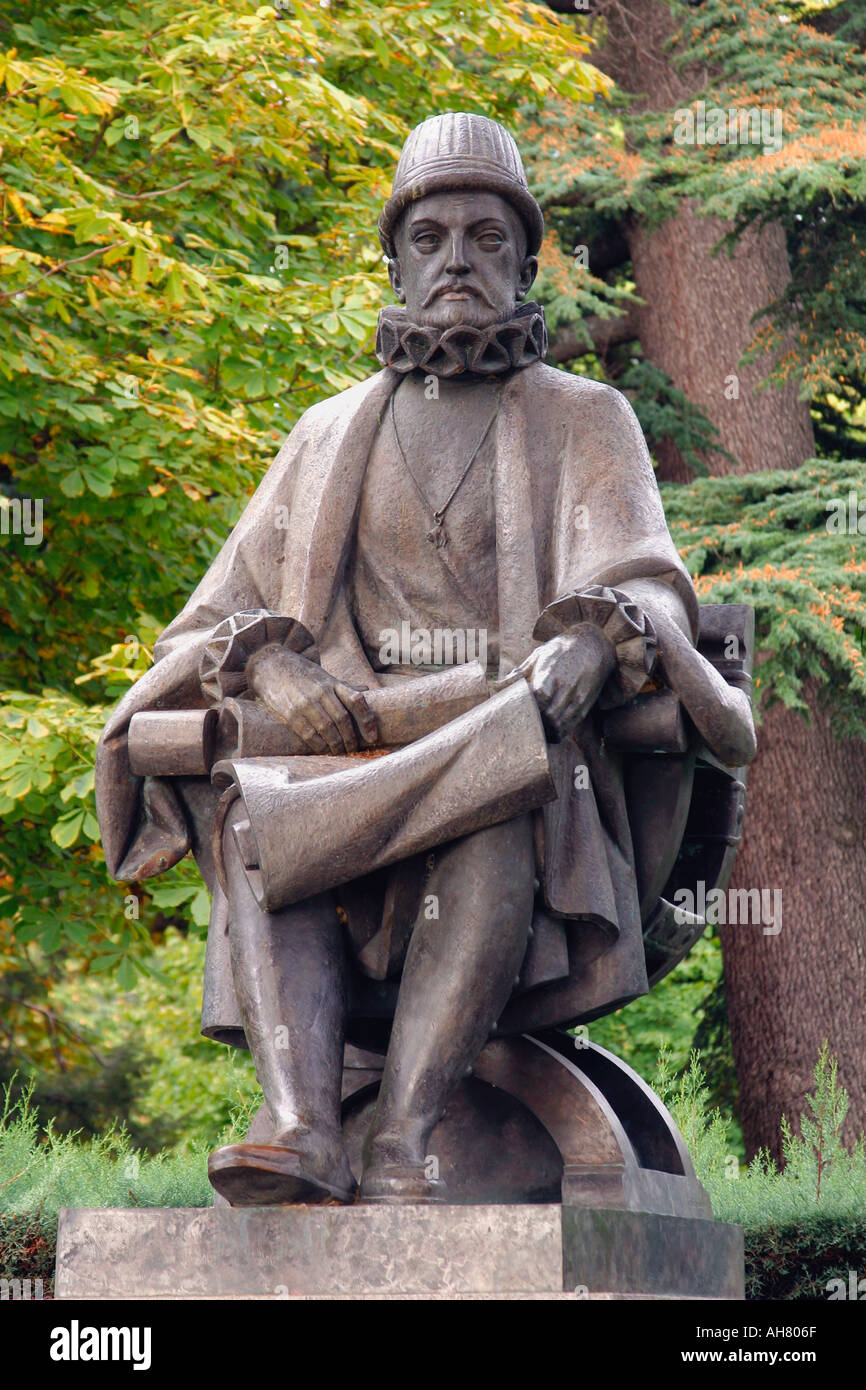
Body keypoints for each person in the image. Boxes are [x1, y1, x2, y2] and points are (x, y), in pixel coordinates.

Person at [96, 113, 752, 1207]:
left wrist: (596, 633)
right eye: (432, 235)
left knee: (496, 796)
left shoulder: (586, 419)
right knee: (257, 812)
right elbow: (203, 629)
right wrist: (264, 667)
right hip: (336, 767)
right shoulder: (322, 434)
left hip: (506, 759)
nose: (457, 258)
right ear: (395, 260)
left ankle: (403, 1142)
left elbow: (641, 576)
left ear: (523, 261)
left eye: (487, 237)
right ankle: (302, 1127)